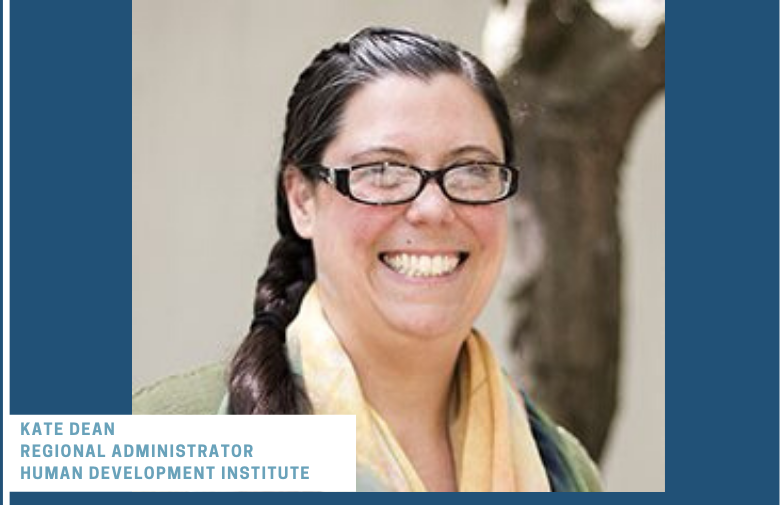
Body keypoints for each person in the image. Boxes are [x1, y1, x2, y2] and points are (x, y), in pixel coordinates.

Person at [133, 26, 601, 492]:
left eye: (472, 170)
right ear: (302, 200)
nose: (434, 209)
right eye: (382, 170)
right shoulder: (165, 440)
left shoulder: (562, 467)